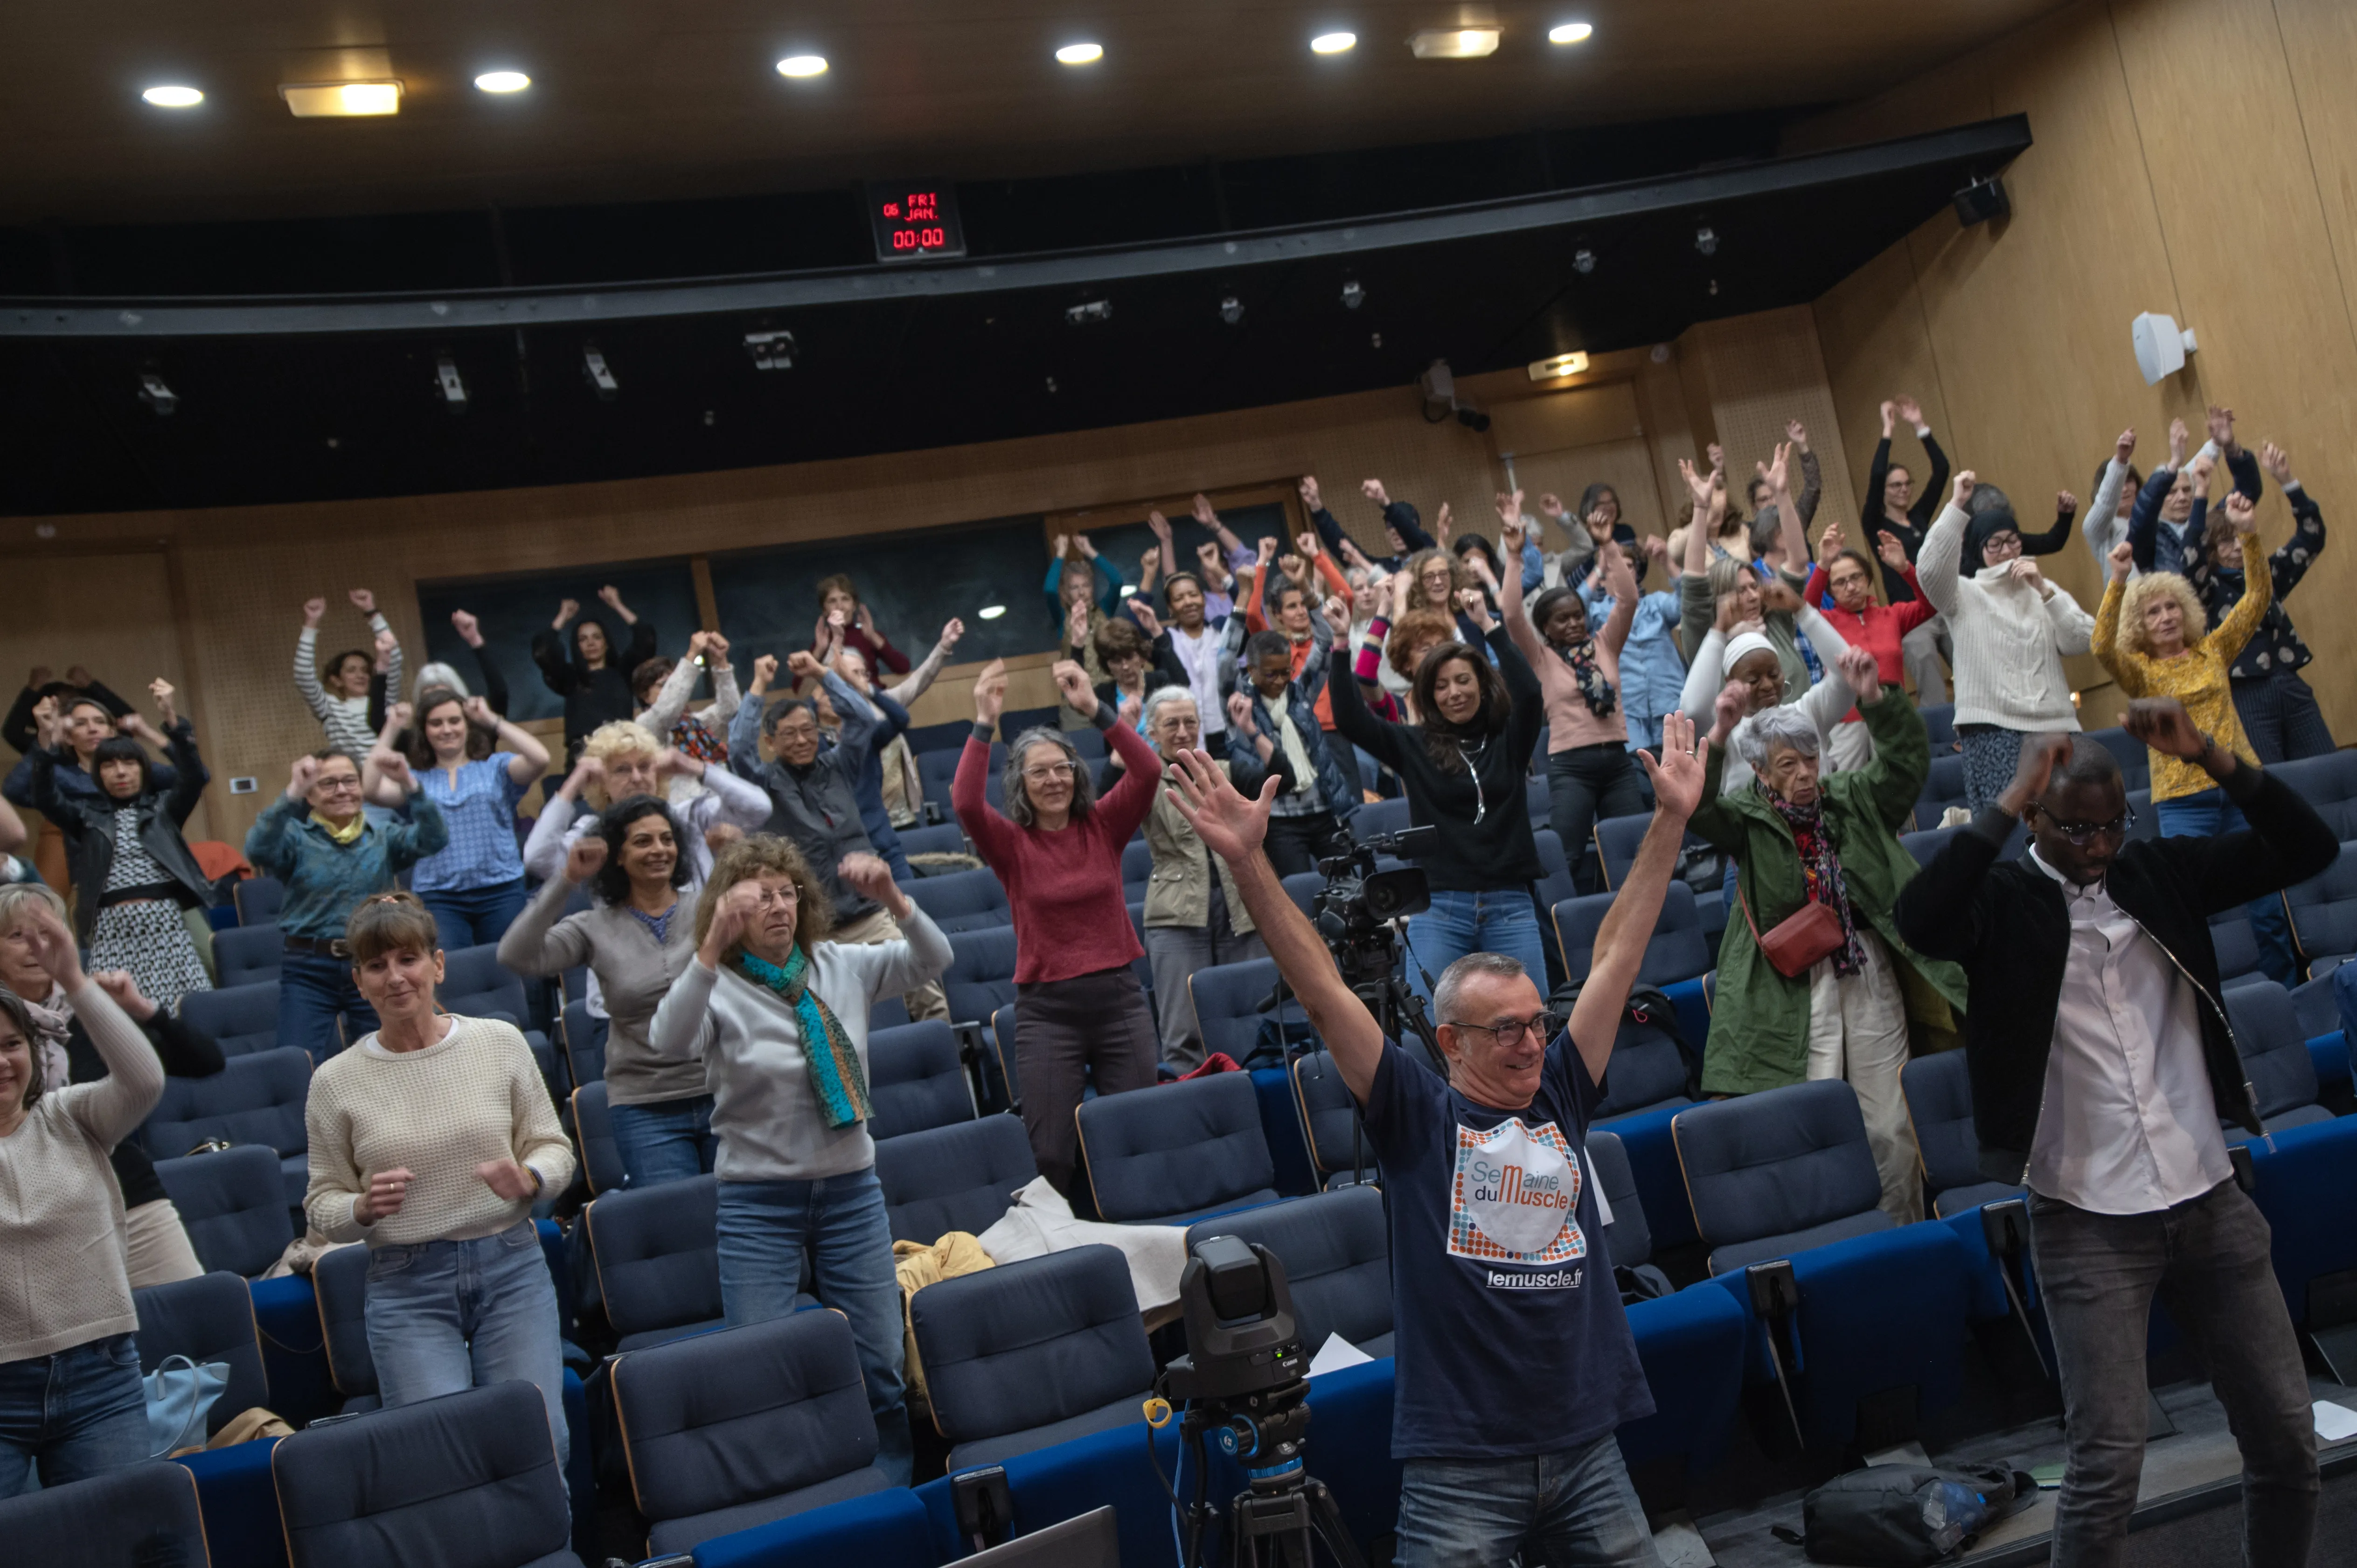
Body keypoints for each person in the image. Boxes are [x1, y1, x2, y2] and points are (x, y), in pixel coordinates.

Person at [1163, 715, 1707, 1568]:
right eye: (1505, 1032)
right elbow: (1319, 992)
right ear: (1450, 1043)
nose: (1532, 1043)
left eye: (1537, 1023)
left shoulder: (1559, 1093)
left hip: (1584, 1444)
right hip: (1461, 1464)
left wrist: (1669, 818)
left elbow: (1613, 957)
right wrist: (1245, 858)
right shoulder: (1416, 1114)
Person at [1893, 705, 2332, 1568]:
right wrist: (2006, 796)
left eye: (2111, 825)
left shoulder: (2157, 871)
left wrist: (2210, 755)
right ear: (2034, 817)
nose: (2098, 847)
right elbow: (1920, 918)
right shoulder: (1999, 904)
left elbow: (2307, 847)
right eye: (2076, 829)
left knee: (2287, 1442)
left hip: (2208, 1193)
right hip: (2085, 1217)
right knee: (2105, 1469)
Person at [647, 836, 950, 1485]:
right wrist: (705, 951)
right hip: (759, 1205)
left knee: (879, 1362)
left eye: (788, 892)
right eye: (760, 896)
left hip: (850, 1195)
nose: (778, 905)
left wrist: (893, 897)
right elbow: (667, 1040)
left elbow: (934, 958)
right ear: (729, 909)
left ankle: (889, 1490)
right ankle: (800, 1491)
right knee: (763, 1365)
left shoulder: (841, 964)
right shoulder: (718, 984)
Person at [301, 891, 574, 1467]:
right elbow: (323, 1204)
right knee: (438, 1455)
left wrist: (529, 1176)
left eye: (408, 959)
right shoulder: (334, 1080)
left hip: (511, 1268)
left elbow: (555, 1149)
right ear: (359, 980)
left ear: (438, 964)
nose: (395, 977)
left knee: (542, 1438)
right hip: (407, 1285)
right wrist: (362, 1209)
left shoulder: (498, 1042)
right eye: (377, 965)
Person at [1689, 651, 1965, 1221]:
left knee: (1890, 1124)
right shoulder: (1746, 817)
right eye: (1788, 765)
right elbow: (1697, 809)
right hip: (1791, 985)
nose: (1806, 774)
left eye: (1811, 758)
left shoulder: (1851, 798)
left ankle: (1901, 1235)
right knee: (1814, 1119)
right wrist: (1717, 732)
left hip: (1865, 969)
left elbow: (1906, 767)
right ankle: (1835, 1237)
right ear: (1761, 773)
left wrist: (1878, 702)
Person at [956, 659, 1162, 1193]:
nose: (1053, 779)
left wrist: (1094, 708)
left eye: (1062, 768)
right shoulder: (1011, 844)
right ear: (1021, 784)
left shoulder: (1104, 825)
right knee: (1049, 1151)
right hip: (1048, 1012)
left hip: (1118, 1000)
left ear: (1077, 772)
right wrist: (984, 721)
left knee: (1138, 1129)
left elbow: (1148, 770)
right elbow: (964, 802)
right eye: (1039, 771)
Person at [0, 900, 166, 1499]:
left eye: (11, 1044)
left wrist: (75, 980)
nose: (1, 1062)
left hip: (101, 1378)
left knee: (118, 1541)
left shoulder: (71, 1114)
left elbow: (145, 1079)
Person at [2092, 499, 2295, 982]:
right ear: (2140, 625)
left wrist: (2248, 535)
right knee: (2193, 908)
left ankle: (2286, 991)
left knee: (2266, 904)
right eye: (2153, 611)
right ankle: (2206, 998)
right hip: (2185, 801)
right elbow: (2101, 646)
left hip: (2239, 787)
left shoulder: (2212, 649)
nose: (2164, 616)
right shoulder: (2139, 671)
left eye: (2170, 607)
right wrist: (2118, 581)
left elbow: (2256, 599)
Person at [1328, 579, 1550, 1001]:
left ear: (1481, 685)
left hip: (1509, 903)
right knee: (1431, 1032)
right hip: (1440, 907)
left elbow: (1529, 691)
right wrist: (1341, 641)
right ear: (1429, 695)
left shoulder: (1509, 738)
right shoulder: (1413, 745)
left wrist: (1487, 623)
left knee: (1527, 1023)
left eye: (1463, 681)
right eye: (1442, 686)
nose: (1454, 693)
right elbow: (1350, 719)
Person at [0, 882, 217, 1289]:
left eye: (48, 934)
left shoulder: (92, 1009)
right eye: (18, 936)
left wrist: (142, 1011)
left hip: (129, 1197)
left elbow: (206, 1062)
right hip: (36, 1219)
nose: (36, 946)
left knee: (190, 1325)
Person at [501, 797, 712, 1188]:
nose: (659, 850)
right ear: (618, 855)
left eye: (667, 839)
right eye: (643, 841)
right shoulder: (592, 926)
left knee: (746, 1218)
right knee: (683, 1229)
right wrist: (567, 880)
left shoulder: (711, 909)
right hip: (646, 1104)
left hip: (724, 1090)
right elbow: (516, 956)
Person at [731, 654, 948, 1022]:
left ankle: (955, 1065)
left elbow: (863, 718)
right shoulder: (765, 783)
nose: (802, 740)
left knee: (928, 991)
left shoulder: (839, 764)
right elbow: (738, 748)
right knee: (828, 1026)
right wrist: (757, 686)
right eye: (790, 734)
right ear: (770, 741)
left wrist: (821, 673)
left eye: (808, 730)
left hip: (870, 915)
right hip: (814, 933)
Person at [21, 679, 219, 1006]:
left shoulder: (163, 809)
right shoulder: (85, 817)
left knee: (186, 1013)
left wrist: (170, 715)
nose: (121, 772)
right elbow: (43, 795)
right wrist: (49, 738)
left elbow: (194, 776)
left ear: (143, 770)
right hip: (111, 928)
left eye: (129, 763)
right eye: (110, 766)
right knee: (119, 1020)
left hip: (166, 924)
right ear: (98, 775)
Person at [244, 749, 448, 1062]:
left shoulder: (383, 836)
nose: (341, 790)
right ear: (310, 795)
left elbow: (435, 838)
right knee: (297, 1060)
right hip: (308, 967)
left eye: (350, 781)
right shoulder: (295, 839)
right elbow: (257, 849)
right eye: (328, 783)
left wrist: (409, 783)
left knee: (389, 1056)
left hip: (374, 963)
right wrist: (291, 793)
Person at [1917, 471, 2095, 812]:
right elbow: (1928, 569)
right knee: (2010, 831)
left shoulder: (2045, 590)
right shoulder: (1962, 594)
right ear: (1979, 550)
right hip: (1993, 732)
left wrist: (2043, 591)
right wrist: (1956, 504)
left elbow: (2082, 639)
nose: (2005, 551)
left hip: (2055, 726)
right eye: (1993, 544)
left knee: (2071, 823)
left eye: (2012, 541)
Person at [1498, 498, 1644, 889]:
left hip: (1616, 761)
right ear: (1546, 628)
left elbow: (1628, 600)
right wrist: (1514, 556)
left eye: (1577, 615)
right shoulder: (1541, 658)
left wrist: (1607, 545)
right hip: (1570, 767)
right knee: (1566, 855)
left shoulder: (1605, 644)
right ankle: (1564, 933)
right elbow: (1511, 614)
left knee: (1638, 852)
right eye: (1562, 619)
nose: (1573, 624)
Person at [2164, 441, 2333, 765]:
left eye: (2239, 537)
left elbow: (2311, 538)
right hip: (2242, 694)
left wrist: (2287, 481)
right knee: (2274, 787)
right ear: (2212, 551)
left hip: (2288, 680)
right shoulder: (2204, 592)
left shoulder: (2264, 576)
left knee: (2327, 769)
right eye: (2225, 541)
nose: (2237, 547)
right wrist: (2200, 493)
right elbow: (2190, 556)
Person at [1134, 687, 1266, 1070]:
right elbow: (1104, 798)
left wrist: (1250, 730)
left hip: (1237, 909)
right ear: (1152, 733)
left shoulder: (1222, 772)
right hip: (1177, 915)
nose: (1181, 731)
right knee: (1183, 1034)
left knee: (1252, 1022)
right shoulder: (1143, 780)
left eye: (1189, 722)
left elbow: (1286, 777)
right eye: (1170, 724)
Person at [365, 690, 549, 951]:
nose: (446, 730)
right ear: (425, 731)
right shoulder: (415, 778)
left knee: (514, 973)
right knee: (448, 976)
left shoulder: (495, 767)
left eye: (454, 721)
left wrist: (491, 719)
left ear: (467, 725)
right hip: (440, 897)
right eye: (436, 723)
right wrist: (392, 728)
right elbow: (371, 789)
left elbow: (541, 758)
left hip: (501, 890)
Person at [525, 717, 769, 893]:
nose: (637, 777)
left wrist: (695, 767)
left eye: (644, 767)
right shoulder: (594, 831)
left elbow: (759, 807)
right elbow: (538, 859)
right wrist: (575, 782)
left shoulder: (688, 815)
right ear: (602, 783)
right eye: (622, 770)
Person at [1228, 626, 1355, 877]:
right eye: (1271, 674)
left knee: (1350, 887)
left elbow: (1324, 641)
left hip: (1324, 811)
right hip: (1279, 820)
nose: (1280, 681)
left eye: (1286, 672)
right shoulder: (1239, 707)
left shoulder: (1300, 692)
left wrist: (1311, 598)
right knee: (1296, 894)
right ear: (1252, 671)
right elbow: (1223, 659)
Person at [1863, 395, 1954, 702]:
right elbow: (1876, 477)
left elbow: (1941, 470)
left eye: (1906, 484)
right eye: (1895, 486)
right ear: (1885, 493)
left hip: (1941, 605)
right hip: (1912, 616)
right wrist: (1887, 430)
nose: (1903, 490)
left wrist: (1919, 425)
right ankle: (1941, 740)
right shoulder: (1875, 525)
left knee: (1969, 667)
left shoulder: (1918, 516)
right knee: (1929, 676)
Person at [532, 586, 657, 763]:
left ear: (606, 643)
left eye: (597, 637)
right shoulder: (571, 677)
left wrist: (617, 605)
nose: (591, 643)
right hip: (583, 758)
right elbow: (542, 653)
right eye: (583, 639)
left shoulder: (623, 672)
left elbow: (647, 640)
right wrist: (562, 618)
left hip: (622, 754)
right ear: (577, 647)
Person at [633, 629, 742, 798]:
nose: (673, 689)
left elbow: (731, 712)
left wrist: (721, 662)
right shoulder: (644, 727)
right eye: (663, 686)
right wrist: (692, 655)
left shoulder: (694, 722)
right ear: (645, 696)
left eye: (673, 683)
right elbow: (667, 711)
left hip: (722, 806)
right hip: (682, 813)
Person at [294, 590, 400, 763]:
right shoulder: (330, 709)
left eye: (365, 670)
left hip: (390, 779)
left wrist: (371, 611)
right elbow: (303, 674)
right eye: (351, 670)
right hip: (354, 782)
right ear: (336, 680)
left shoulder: (385, 700)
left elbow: (393, 655)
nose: (361, 675)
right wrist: (311, 623)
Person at [812, 574, 911, 676]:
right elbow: (800, 688)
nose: (840, 607)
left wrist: (872, 636)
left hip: (871, 691)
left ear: (854, 606)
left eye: (845, 599)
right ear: (825, 610)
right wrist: (819, 651)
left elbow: (903, 668)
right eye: (832, 601)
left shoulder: (866, 635)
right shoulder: (823, 641)